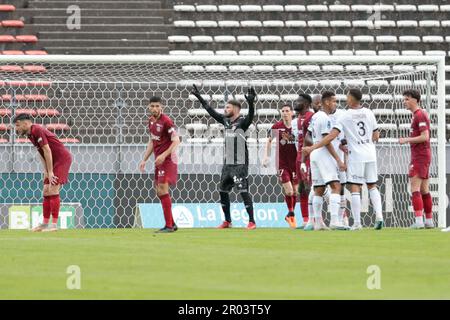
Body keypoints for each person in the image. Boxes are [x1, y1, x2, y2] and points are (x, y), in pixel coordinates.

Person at [303, 89, 384, 230]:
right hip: (370, 153)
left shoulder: (345, 116)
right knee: (372, 185)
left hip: (355, 155)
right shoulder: (370, 112)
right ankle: (379, 217)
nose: (342, 100)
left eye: (347, 97)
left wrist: (312, 147)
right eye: (334, 100)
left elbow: (330, 137)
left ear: (351, 99)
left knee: (353, 187)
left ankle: (356, 223)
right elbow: (376, 136)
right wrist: (363, 141)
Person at [191, 85, 257, 230]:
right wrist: (199, 97)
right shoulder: (226, 121)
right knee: (222, 190)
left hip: (240, 162)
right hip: (228, 163)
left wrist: (251, 103)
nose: (224, 110)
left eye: (228, 108)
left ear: (236, 109)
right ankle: (227, 221)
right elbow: (210, 111)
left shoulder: (243, 122)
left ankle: (252, 221)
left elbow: (251, 116)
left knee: (243, 191)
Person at [14, 113, 73, 232]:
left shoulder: (38, 130)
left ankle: (54, 225)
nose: (16, 128)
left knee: (53, 189)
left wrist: (50, 171)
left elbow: (47, 150)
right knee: (46, 191)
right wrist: (46, 170)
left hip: (61, 159)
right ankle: (45, 224)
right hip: (52, 161)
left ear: (26, 123)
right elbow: (41, 152)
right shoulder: (30, 134)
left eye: (17, 125)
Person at [304, 91, 348, 230]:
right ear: (327, 102)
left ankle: (318, 223)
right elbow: (327, 140)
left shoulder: (315, 116)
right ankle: (335, 221)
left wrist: (311, 148)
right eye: (334, 101)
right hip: (323, 154)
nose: (336, 104)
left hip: (314, 155)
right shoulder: (325, 118)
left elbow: (308, 136)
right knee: (336, 186)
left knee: (318, 188)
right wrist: (338, 159)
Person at [139, 96, 180, 233]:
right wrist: (144, 159)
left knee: (162, 189)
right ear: (149, 107)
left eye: (157, 106)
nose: (155, 109)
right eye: (152, 106)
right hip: (159, 161)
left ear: (161, 107)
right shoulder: (150, 121)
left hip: (167, 160)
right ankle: (172, 223)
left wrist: (163, 155)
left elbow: (176, 141)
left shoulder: (166, 121)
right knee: (158, 190)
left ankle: (169, 226)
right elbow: (152, 141)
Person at [399, 89, 434, 229]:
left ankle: (419, 221)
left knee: (414, 188)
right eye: (404, 99)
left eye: (407, 99)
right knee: (425, 189)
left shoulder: (420, 115)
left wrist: (407, 139)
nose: (404, 102)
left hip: (420, 155)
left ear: (415, 100)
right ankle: (429, 221)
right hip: (423, 154)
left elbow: (425, 136)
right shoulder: (417, 115)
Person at [263, 104, 298, 228]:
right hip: (282, 163)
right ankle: (291, 213)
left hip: (295, 163)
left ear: (292, 113)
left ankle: (290, 215)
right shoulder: (277, 126)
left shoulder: (296, 126)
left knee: (295, 191)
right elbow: (268, 140)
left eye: (287, 111)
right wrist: (266, 156)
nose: (284, 113)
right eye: (282, 111)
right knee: (289, 190)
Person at [292, 94, 314, 228]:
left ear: (306, 103)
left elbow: (312, 138)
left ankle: (315, 219)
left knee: (310, 186)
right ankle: (306, 220)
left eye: (299, 101)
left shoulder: (311, 117)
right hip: (299, 157)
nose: (296, 103)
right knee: (301, 189)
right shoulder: (298, 118)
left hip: (309, 157)